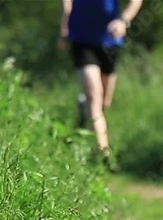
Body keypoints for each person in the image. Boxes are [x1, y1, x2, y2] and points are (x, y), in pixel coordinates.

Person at [59, 0, 144, 171]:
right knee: (94, 98)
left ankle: (83, 109)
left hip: (110, 42)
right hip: (82, 41)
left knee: (104, 103)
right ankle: (104, 153)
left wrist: (123, 20)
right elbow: (67, 3)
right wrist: (64, 29)